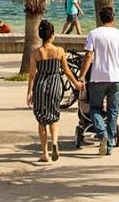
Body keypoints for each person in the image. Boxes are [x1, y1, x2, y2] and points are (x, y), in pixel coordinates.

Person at [26, 19, 82, 162]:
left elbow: (32, 74)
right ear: (52, 35)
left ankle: (44, 153)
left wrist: (29, 92)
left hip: (40, 86)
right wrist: (76, 84)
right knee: (54, 116)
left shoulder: (36, 53)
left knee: (42, 119)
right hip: (55, 84)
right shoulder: (59, 51)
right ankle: (55, 143)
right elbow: (67, 71)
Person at [78, 7, 119, 156]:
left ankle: (102, 133)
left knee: (95, 108)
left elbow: (88, 56)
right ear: (113, 18)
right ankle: (110, 142)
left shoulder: (94, 34)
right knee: (113, 111)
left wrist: (81, 76)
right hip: (116, 78)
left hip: (98, 77)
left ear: (100, 19)